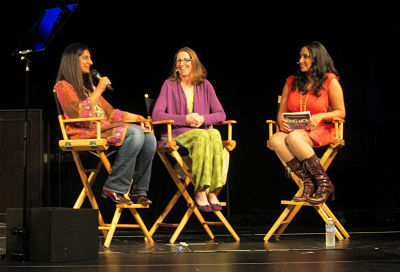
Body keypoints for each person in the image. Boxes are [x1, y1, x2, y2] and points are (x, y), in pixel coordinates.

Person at [53, 43, 156, 205]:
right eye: (86, 58)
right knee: (135, 133)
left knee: (149, 136)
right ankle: (114, 186)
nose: (91, 62)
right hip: (84, 132)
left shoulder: (89, 87)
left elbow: (111, 113)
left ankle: (138, 191)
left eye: (90, 58)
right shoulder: (63, 87)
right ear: (73, 60)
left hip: (103, 128)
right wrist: (99, 90)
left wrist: (138, 118)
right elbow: (80, 115)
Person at [269, 41, 345, 204]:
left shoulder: (330, 81)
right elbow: (281, 112)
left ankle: (324, 184)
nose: (300, 60)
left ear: (317, 59)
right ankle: (308, 183)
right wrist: (281, 122)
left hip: (321, 129)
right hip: (296, 130)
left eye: (306, 57)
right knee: (275, 139)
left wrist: (321, 116)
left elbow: (341, 112)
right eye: (300, 57)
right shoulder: (291, 81)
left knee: (294, 138)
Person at [152, 47, 226, 212]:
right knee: (203, 136)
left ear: (194, 63)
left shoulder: (205, 85)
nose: (182, 64)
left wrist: (203, 119)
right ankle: (200, 189)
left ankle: (212, 190)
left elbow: (221, 114)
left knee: (214, 133)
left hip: (201, 133)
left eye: (186, 60)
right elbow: (156, 115)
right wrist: (184, 119)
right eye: (179, 60)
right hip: (176, 134)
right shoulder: (169, 85)